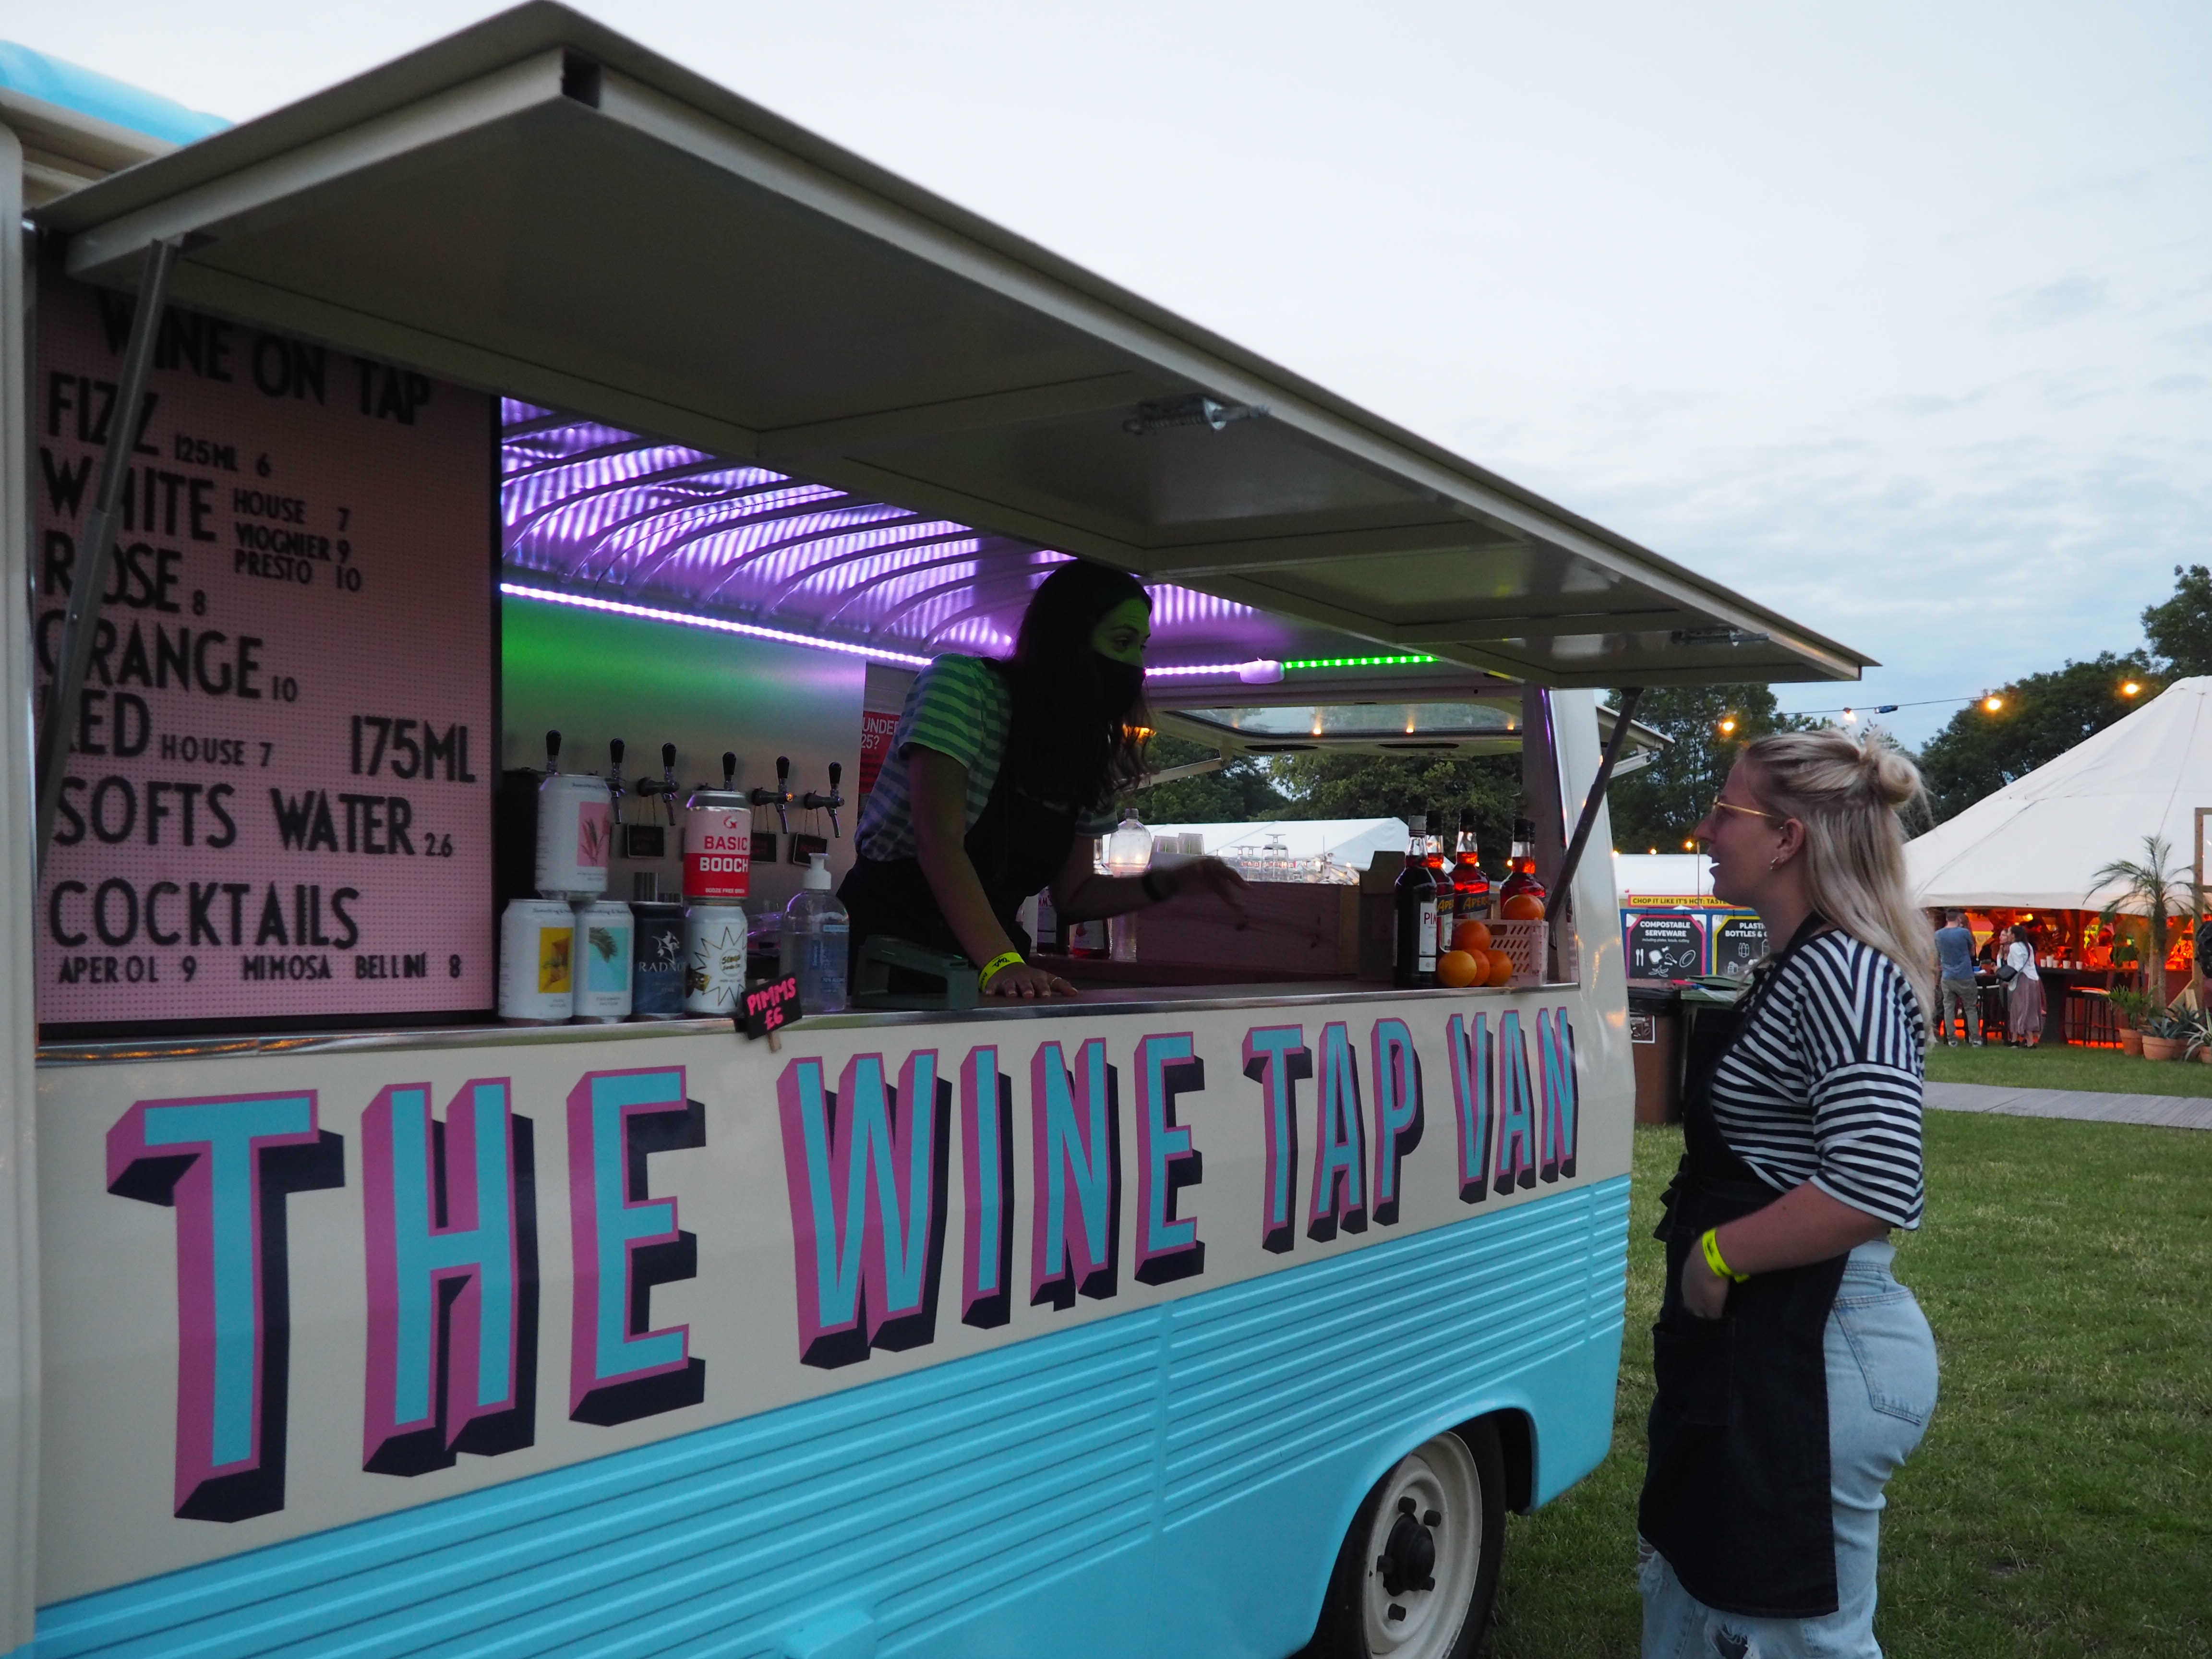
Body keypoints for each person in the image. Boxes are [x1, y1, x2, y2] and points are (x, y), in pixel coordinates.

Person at [1640, 729, 1940, 1659]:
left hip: (1816, 1350)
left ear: (1787, 839)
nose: (1703, 831)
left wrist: (1722, 1252)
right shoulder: (1795, 966)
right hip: (1764, 1348)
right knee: (1706, 1608)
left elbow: (1877, 1178)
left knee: (1792, 1639)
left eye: (1723, 811)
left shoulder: (1842, 969)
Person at [840, 561, 1245, 998]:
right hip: (876, 962)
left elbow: (1075, 895)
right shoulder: (961, 685)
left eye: (1141, 647)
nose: (1137, 665)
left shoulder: (1085, 748)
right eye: (1123, 642)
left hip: (976, 972)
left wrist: (1171, 882)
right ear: (1066, 639)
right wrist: (1000, 961)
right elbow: (938, 843)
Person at [1933, 909, 1981, 1046]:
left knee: (1949, 1007)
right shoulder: (1964, 933)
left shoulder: (1938, 935)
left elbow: (1938, 954)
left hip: (1947, 976)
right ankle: (1975, 1038)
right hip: (1965, 975)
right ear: (1959, 919)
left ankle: (1952, 1039)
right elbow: (1972, 953)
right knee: (1970, 1008)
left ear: (1947, 919)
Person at [2002, 924, 2044, 1047]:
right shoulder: (2028, 946)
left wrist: (2008, 979)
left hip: (2023, 980)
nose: (2008, 935)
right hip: (2033, 979)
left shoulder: (2015, 947)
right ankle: (2020, 1039)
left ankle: (2028, 1041)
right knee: (2027, 1009)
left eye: (2009, 933)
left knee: (2021, 1009)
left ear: (2014, 935)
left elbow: (2018, 966)